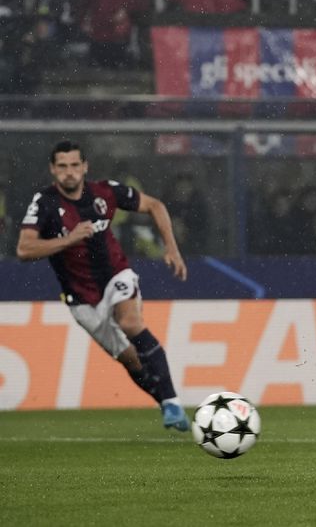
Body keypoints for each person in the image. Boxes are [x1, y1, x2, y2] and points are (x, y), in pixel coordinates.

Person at [17, 140, 190, 432]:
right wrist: (69, 239)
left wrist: (171, 248)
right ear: (52, 170)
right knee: (131, 360)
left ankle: (172, 400)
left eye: (74, 165)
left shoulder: (105, 192)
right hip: (81, 298)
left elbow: (154, 205)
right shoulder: (44, 203)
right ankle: (166, 404)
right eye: (62, 166)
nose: (69, 172)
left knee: (130, 322)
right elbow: (24, 249)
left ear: (85, 167)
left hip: (115, 275)